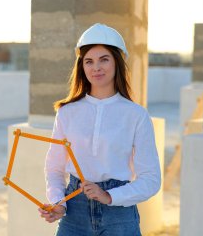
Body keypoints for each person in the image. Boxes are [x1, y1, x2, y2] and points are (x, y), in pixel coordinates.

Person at [38, 23, 161, 236]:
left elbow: (151, 179)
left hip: (119, 216)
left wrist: (109, 196)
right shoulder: (67, 112)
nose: (96, 67)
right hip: (74, 212)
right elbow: (54, 168)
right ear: (82, 66)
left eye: (104, 59)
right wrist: (58, 203)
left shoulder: (136, 115)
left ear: (117, 63)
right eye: (89, 61)